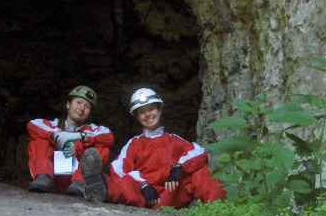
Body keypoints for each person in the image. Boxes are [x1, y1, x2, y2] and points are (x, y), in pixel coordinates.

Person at [82, 87, 226, 209]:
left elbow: (198, 151)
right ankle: (100, 188)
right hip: (144, 197)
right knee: (123, 184)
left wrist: (178, 167)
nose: (148, 115)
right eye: (142, 112)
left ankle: (219, 209)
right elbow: (118, 168)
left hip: (170, 195)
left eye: (151, 109)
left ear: (160, 110)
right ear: (137, 117)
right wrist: (143, 184)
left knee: (201, 172)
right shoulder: (134, 143)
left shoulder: (173, 139)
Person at [26, 85, 113, 200]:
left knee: (101, 147)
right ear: (68, 105)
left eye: (87, 106)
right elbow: (32, 125)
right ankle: (43, 177)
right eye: (78, 102)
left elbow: (108, 136)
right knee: (40, 137)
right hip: (51, 179)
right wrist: (56, 135)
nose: (81, 108)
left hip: (76, 183)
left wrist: (79, 137)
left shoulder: (92, 130)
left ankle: (81, 182)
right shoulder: (52, 125)